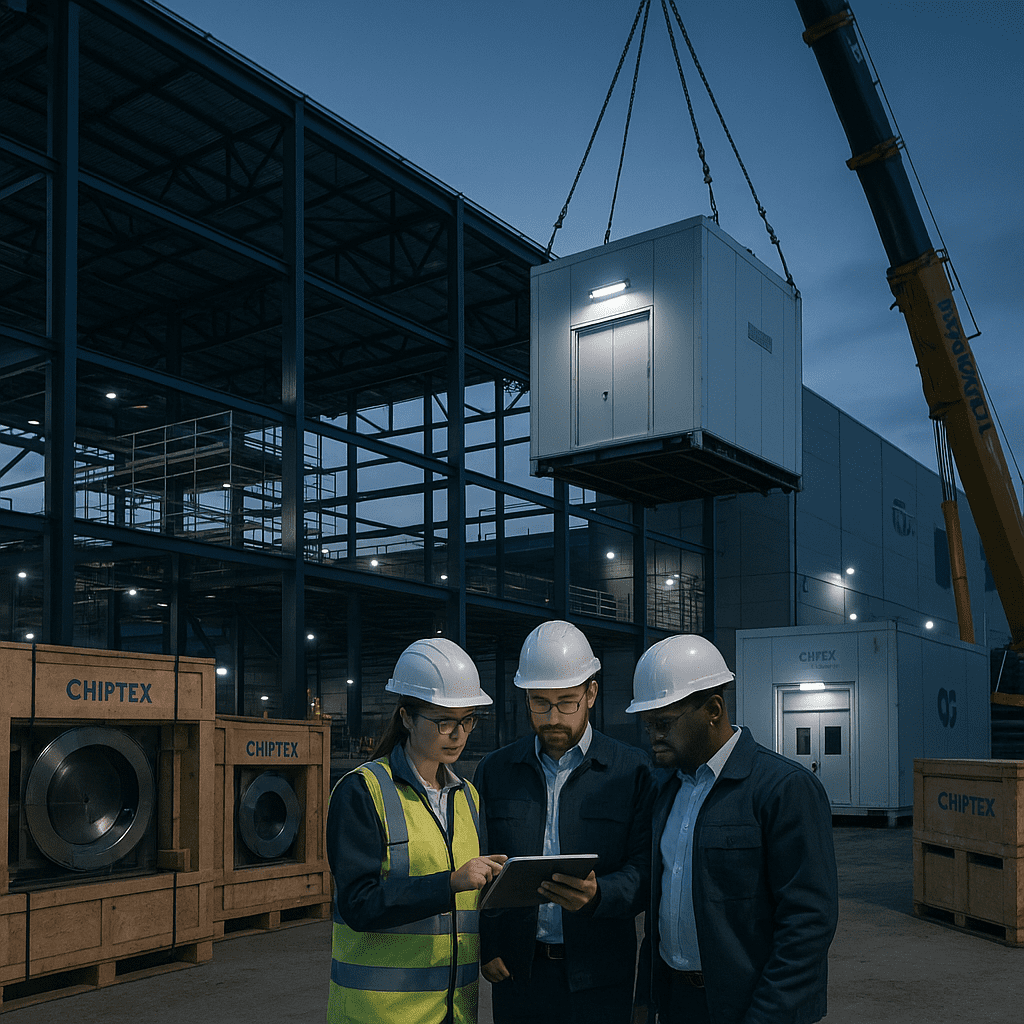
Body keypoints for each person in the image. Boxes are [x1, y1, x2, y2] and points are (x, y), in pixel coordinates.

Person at [625, 635, 839, 1024]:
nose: (653, 735)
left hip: (752, 1009)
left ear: (713, 709)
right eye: (647, 724)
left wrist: (766, 1017)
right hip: (677, 1004)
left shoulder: (783, 789)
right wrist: (647, 1000)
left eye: (663, 723)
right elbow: (658, 911)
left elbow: (807, 923)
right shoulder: (667, 789)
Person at [475, 620, 654, 1024]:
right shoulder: (496, 770)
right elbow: (479, 865)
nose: (553, 717)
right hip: (517, 972)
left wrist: (600, 894)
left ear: (591, 693)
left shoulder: (631, 771)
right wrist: (488, 943)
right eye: (540, 702)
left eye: (566, 702)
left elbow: (646, 870)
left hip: (601, 974)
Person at [326, 638, 507, 1024]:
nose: (458, 734)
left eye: (467, 720)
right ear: (406, 717)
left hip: (454, 1011)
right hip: (380, 1013)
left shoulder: (468, 797)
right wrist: (449, 883)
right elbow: (358, 903)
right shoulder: (363, 791)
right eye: (444, 721)